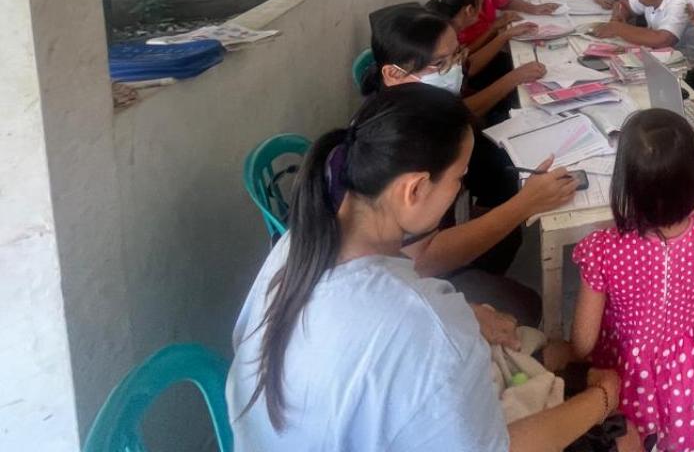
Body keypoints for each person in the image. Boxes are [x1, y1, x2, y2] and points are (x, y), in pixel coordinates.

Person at [227, 85, 640, 451]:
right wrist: (602, 399)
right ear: (415, 188)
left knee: (527, 352)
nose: (460, 188)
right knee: (625, 436)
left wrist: (467, 316)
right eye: (459, 178)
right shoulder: (425, 323)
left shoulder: (300, 241)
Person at [361, 4, 575, 324]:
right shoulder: (403, 144)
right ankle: (468, 276)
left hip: (408, 257)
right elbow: (421, 261)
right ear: (393, 74)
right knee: (524, 304)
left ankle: (474, 264)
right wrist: (525, 204)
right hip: (400, 286)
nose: (456, 70)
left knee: (503, 211)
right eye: (440, 64)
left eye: (457, 55)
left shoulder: (420, 109)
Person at [571, 109, 694, 452]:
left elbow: (582, 343)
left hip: (627, 375)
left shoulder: (602, 250)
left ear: (624, 183)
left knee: (635, 442)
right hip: (692, 375)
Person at [452, 0, 559, 120]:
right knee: (524, 78)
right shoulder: (460, 5)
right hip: (472, 74)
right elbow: (466, 63)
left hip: (479, 61)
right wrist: (497, 31)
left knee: (530, 66)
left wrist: (534, 8)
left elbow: (507, 1)